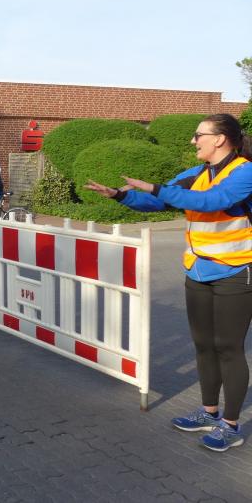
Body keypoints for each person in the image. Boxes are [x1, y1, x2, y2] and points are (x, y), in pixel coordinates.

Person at [85, 113, 252, 453]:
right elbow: (161, 199)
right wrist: (120, 196)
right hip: (198, 271)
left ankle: (231, 425)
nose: (193, 140)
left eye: (198, 135)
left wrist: (157, 188)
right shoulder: (195, 174)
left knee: (228, 348)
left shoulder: (245, 172)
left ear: (220, 139)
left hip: (235, 272)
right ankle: (208, 412)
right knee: (203, 345)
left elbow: (213, 201)